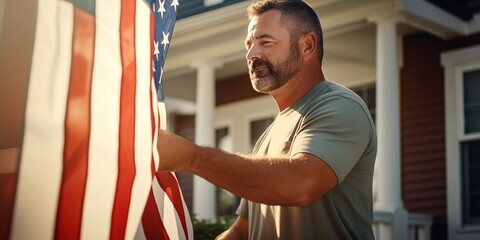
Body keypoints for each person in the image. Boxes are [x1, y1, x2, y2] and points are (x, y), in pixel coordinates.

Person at [157, 0, 377, 239]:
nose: (251, 55)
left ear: (307, 46)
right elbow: (244, 231)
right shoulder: (268, 137)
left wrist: (190, 156)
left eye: (265, 42)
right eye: (249, 45)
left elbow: (301, 185)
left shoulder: (340, 105)